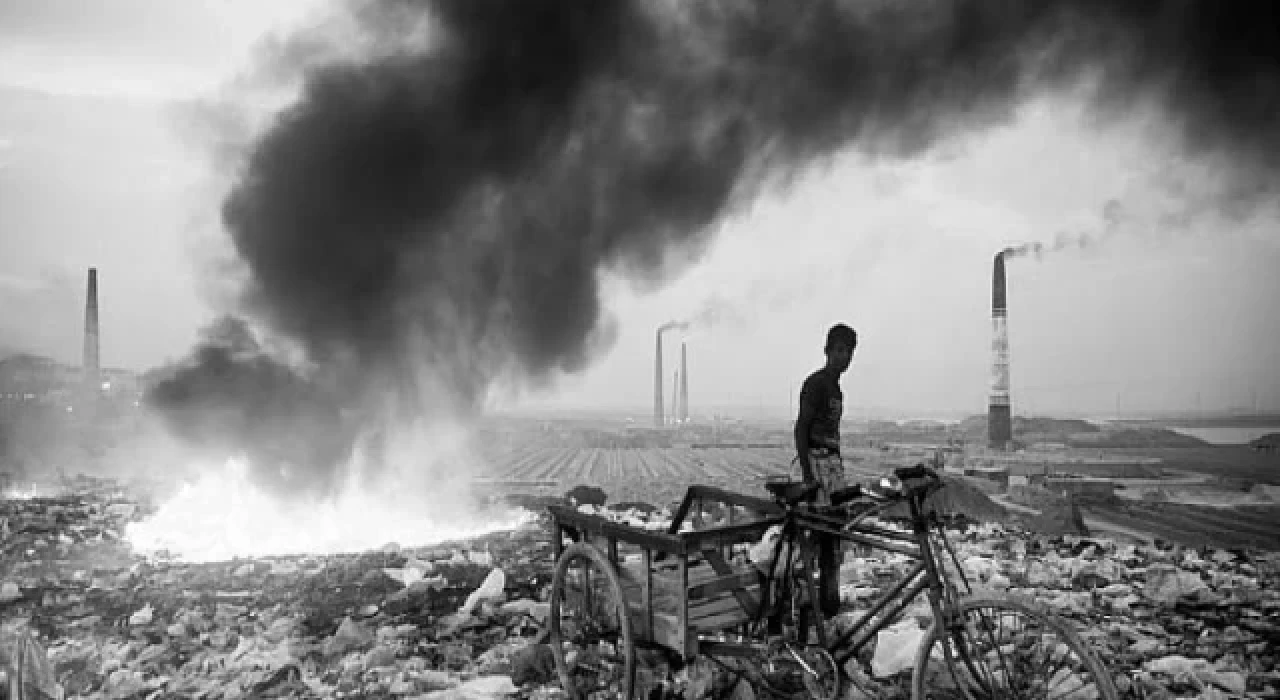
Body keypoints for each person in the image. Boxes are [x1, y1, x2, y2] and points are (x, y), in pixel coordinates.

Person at [794, 322, 857, 617]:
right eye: (840, 350)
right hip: (817, 464)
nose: (845, 357)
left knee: (835, 534)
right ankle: (811, 600)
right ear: (828, 351)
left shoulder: (837, 389)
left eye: (850, 352)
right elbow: (801, 429)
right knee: (818, 534)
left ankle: (828, 600)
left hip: (832, 466)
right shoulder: (816, 384)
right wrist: (808, 475)